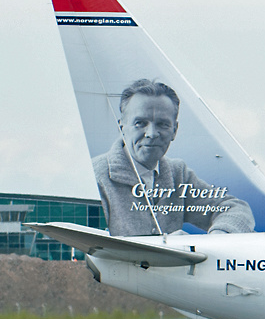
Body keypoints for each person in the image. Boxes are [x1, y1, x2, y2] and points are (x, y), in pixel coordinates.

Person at [91, 79, 254, 235]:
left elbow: (234, 207)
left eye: (163, 124)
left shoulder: (178, 174)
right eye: (140, 123)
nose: (152, 134)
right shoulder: (97, 177)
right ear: (122, 128)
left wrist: (219, 235)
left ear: (174, 130)